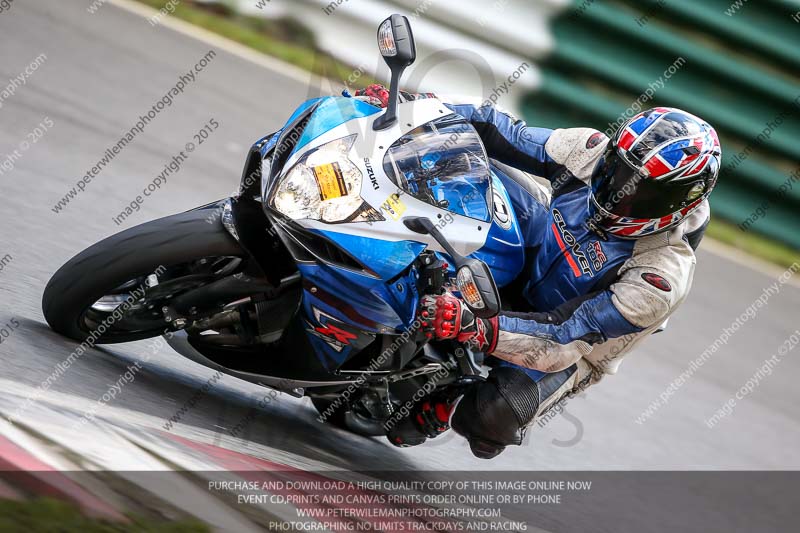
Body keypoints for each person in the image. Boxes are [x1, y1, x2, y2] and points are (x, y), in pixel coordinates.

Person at [355, 85, 722, 459]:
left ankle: (448, 400)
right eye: (617, 171)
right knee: (464, 161)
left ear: (680, 204)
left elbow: (564, 335)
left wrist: (472, 326)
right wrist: (417, 109)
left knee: (491, 416)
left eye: (642, 194)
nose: (618, 193)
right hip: (539, 248)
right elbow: (500, 130)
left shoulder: (659, 277)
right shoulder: (588, 150)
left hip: (573, 346)